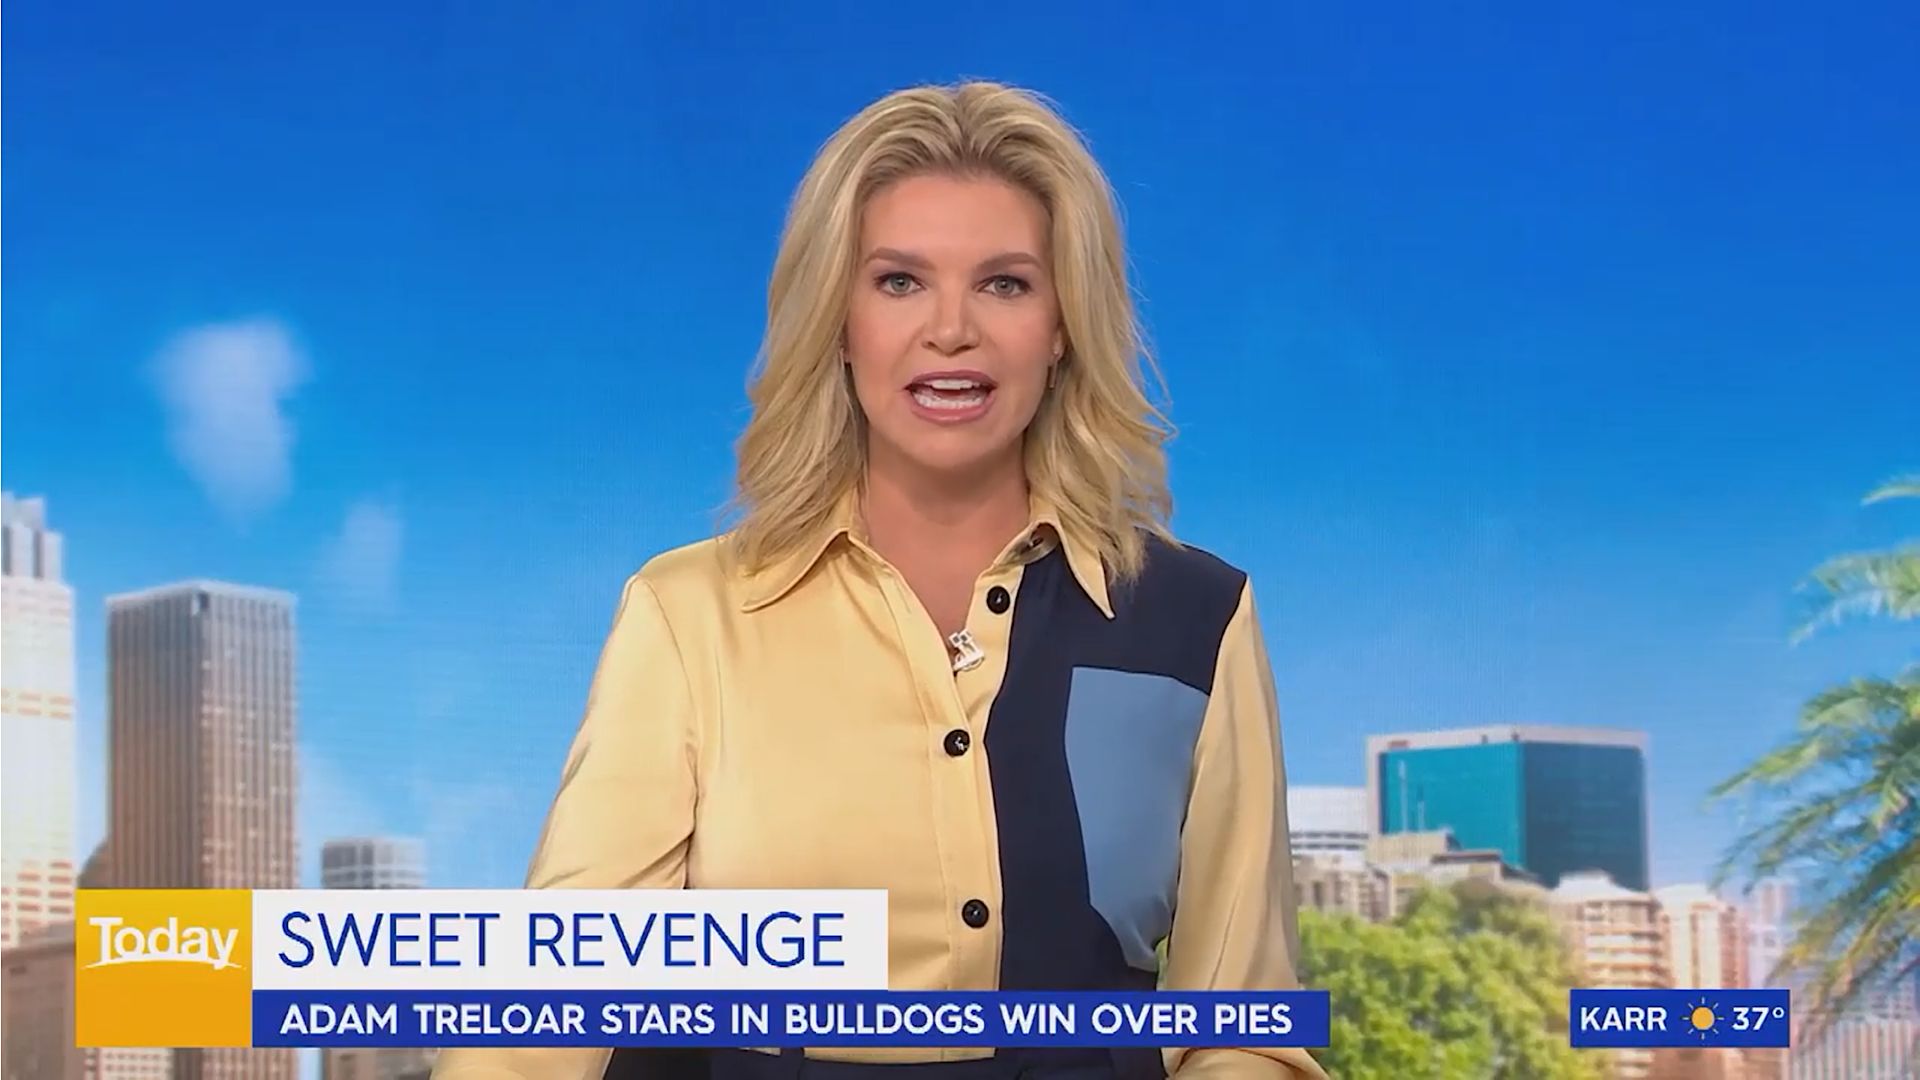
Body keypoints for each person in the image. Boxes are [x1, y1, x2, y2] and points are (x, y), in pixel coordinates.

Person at [433, 80, 1325, 1080]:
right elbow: (555, 1012)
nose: (951, 330)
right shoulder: (688, 618)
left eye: (1005, 284)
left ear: (1063, 325)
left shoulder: (1195, 621)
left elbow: (1243, 1030)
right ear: (839, 321)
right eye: (900, 281)